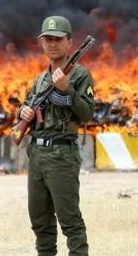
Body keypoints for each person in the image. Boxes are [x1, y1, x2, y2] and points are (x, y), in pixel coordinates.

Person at [19, 16, 95, 256]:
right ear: (42, 43)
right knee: (40, 223)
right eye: (47, 39)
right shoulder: (40, 79)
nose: (52, 44)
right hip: (37, 153)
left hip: (62, 153)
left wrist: (67, 89)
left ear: (69, 42)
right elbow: (27, 107)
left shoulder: (80, 75)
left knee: (70, 221)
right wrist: (23, 111)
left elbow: (86, 114)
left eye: (57, 39)